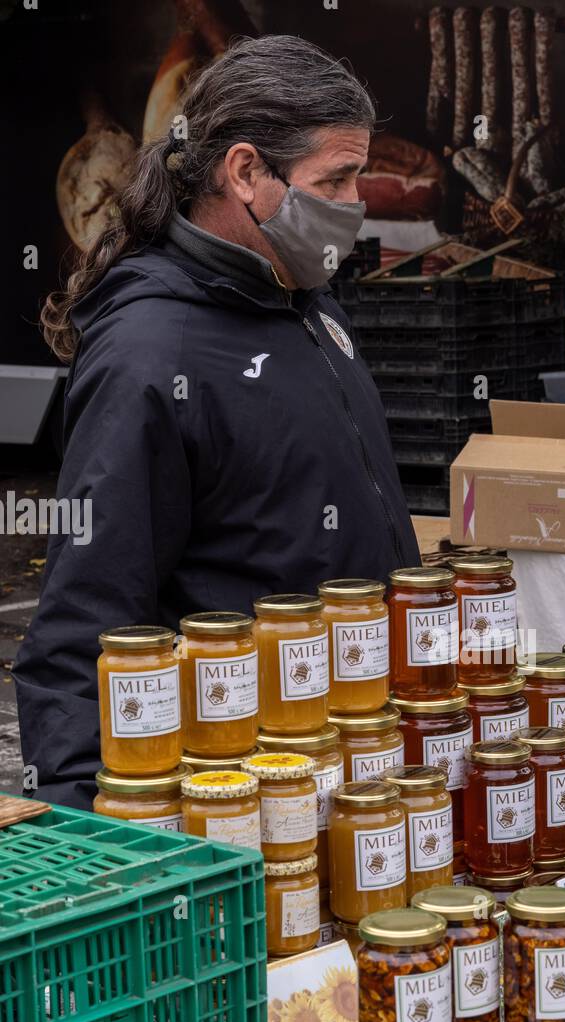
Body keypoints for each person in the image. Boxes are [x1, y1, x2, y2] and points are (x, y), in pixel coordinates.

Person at [16, 35, 419, 809]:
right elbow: (81, 626)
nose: (355, 205)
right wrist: (94, 842)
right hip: (240, 795)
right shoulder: (148, 355)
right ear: (244, 173)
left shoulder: (310, 306)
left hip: (351, 767)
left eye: (358, 177)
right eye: (335, 178)